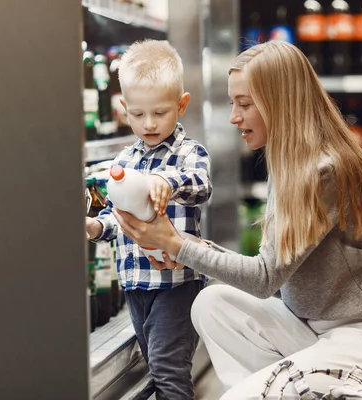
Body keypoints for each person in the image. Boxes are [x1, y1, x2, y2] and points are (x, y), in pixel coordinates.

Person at [112, 40, 362, 399]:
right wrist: (189, 245)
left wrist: (176, 244)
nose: (234, 116)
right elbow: (269, 268)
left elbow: (264, 279)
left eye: (244, 104)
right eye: (233, 103)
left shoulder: (324, 171)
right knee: (212, 304)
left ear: (281, 101)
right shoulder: (289, 165)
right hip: (316, 332)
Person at [86, 39, 212, 400]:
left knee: (169, 371)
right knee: (154, 369)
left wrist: (165, 182)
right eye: (138, 114)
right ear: (124, 109)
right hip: (135, 284)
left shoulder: (190, 153)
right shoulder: (124, 159)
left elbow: (201, 186)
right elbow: (117, 215)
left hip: (176, 283)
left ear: (181, 105)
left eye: (160, 112)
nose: (149, 123)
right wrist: (97, 226)